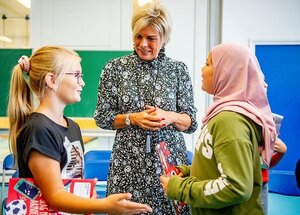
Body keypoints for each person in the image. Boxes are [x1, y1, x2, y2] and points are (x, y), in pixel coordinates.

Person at [8, 46, 152, 214]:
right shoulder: (38, 129)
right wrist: (106, 205)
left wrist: (87, 195)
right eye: (76, 75)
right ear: (52, 80)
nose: (82, 83)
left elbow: (69, 184)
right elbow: (55, 196)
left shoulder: (72, 126)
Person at [94, 2, 197, 214]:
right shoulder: (114, 68)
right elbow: (102, 117)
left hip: (169, 165)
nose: (143, 44)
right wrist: (133, 118)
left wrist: (169, 116)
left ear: (164, 38)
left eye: (151, 38)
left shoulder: (178, 70)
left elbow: (191, 122)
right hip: (127, 163)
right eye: (138, 36)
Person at [160, 43, 277, 215]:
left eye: (208, 64)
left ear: (226, 72)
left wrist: (180, 188)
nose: (202, 69)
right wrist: (189, 171)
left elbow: (235, 186)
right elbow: (220, 165)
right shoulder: (223, 115)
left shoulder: (230, 120)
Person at [261, 138, 287, 214]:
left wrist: (281, 152)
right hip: (240, 182)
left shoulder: (265, 133)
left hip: (261, 183)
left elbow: (266, 164)